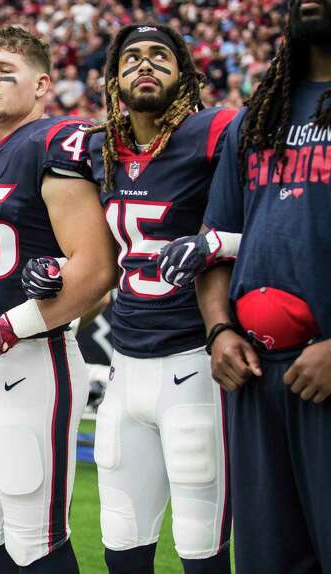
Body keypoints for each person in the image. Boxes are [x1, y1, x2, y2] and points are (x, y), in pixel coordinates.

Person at [40, 23, 236, 573]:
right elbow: (95, 251)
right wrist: (52, 267)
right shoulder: (101, 148)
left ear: (186, 75)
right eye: (131, 59)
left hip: (195, 364)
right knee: (121, 548)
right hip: (126, 367)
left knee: (202, 550)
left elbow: (276, 214)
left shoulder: (218, 130)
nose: (144, 65)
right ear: (112, 79)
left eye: (159, 56)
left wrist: (220, 242)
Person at [0, 26, 115, 572]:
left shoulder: (56, 141)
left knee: (32, 539)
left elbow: (96, 266)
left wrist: (9, 327)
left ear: (42, 85)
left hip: (30, 359)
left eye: (5, 72)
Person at [194, 0, 331, 570]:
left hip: (326, 366)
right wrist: (219, 330)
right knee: (266, 557)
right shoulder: (256, 117)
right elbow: (215, 240)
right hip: (255, 373)